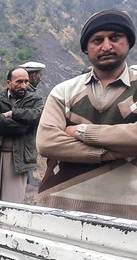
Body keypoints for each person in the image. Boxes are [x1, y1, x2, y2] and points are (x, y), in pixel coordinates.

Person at [36, 9, 137, 218]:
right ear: (86, 49)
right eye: (97, 40)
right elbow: (47, 142)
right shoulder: (64, 91)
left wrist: (81, 132)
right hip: (62, 201)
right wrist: (108, 153)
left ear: (129, 41)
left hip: (129, 210)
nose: (106, 46)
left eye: (115, 37)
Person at [0, 68, 43, 202]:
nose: (23, 85)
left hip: (18, 159)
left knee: (13, 203)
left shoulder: (35, 100)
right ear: (8, 83)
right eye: (19, 82)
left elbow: (38, 116)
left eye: (26, 81)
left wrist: (12, 113)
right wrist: (22, 126)